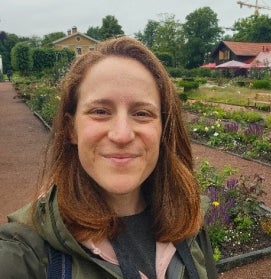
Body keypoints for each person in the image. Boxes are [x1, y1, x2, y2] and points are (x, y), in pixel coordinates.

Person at [0, 37, 217, 279]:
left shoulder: (187, 222)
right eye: (100, 111)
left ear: (163, 128)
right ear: (71, 129)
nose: (122, 135)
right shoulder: (23, 255)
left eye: (142, 113)